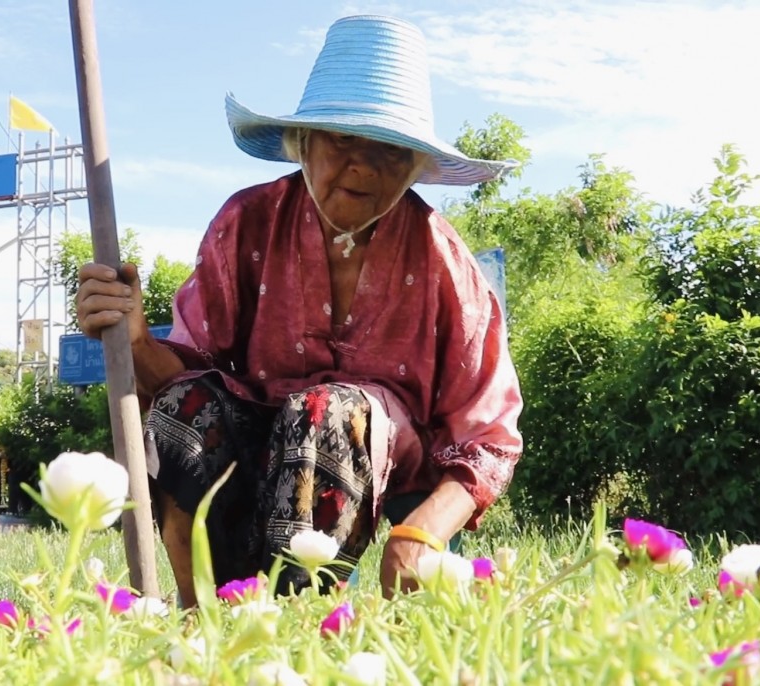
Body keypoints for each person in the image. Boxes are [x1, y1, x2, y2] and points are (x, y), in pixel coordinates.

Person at [76, 15, 523, 604]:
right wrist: (134, 341)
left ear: (413, 168)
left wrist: (422, 530)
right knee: (188, 410)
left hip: (379, 453)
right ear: (303, 143)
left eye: (388, 151)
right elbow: (186, 381)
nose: (362, 166)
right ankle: (201, 613)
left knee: (325, 412)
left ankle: (300, 618)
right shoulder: (248, 224)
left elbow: (488, 436)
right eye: (342, 140)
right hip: (258, 438)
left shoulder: (443, 260)